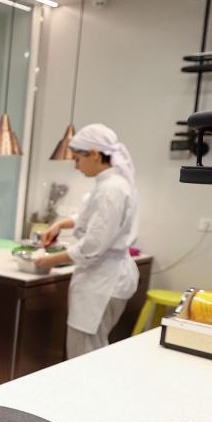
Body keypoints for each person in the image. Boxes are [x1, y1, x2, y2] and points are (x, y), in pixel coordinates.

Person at [35, 124, 140, 358]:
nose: (76, 166)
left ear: (94, 153)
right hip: (105, 278)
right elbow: (92, 217)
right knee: (92, 351)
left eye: (77, 159)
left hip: (102, 282)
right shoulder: (110, 185)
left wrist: (52, 260)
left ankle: (85, 395)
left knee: (84, 355)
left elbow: (93, 245)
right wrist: (61, 224)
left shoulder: (110, 189)